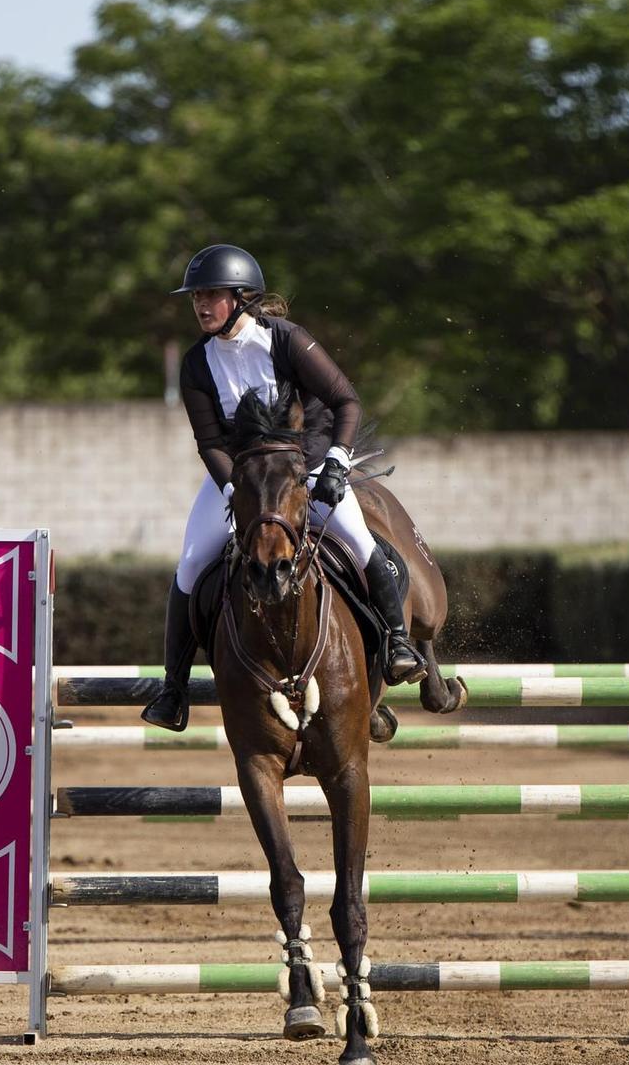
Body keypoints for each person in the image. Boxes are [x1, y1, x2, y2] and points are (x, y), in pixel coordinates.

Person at [142, 243, 426, 731]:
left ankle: (399, 643)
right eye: (196, 297)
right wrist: (235, 490)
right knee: (191, 563)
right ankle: (173, 689)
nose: (201, 305)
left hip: (308, 464)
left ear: (242, 298)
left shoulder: (287, 339)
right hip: (242, 477)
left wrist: (336, 463)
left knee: (359, 541)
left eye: (212, 294)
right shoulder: (196, 364)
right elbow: (209, 442)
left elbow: (346, 401)